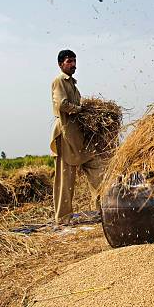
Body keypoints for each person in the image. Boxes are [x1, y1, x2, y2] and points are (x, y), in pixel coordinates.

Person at [50, 49, 103, 224]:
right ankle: (63, 218)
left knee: (97, 169)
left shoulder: (73, 84)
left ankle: (104, 208)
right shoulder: (59, 81)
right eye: (69, 61)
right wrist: (81, 110)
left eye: (74, 61)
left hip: (78, 136)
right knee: (65, 178)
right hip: (65, 136)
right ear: (60, 64)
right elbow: (62, 104)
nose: (73, 64)